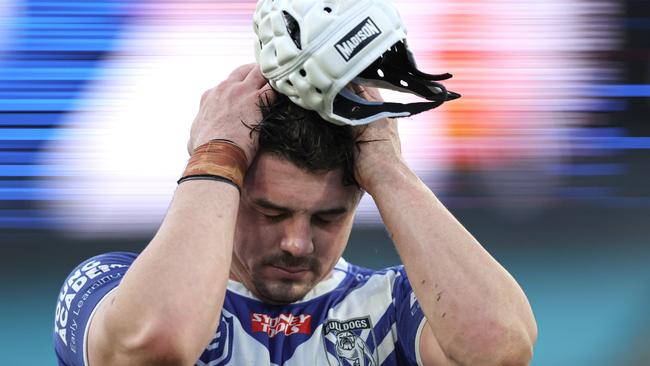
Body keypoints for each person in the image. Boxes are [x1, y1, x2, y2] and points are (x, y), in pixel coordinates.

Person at [53, 63, 537, 366]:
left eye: (327, 218)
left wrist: (387, 168)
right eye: (270, 211)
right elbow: (155, 344)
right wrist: (217, 153)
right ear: (229, 193)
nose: (297, 243)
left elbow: (499, 348)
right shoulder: (109, 287)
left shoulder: (394, 306)